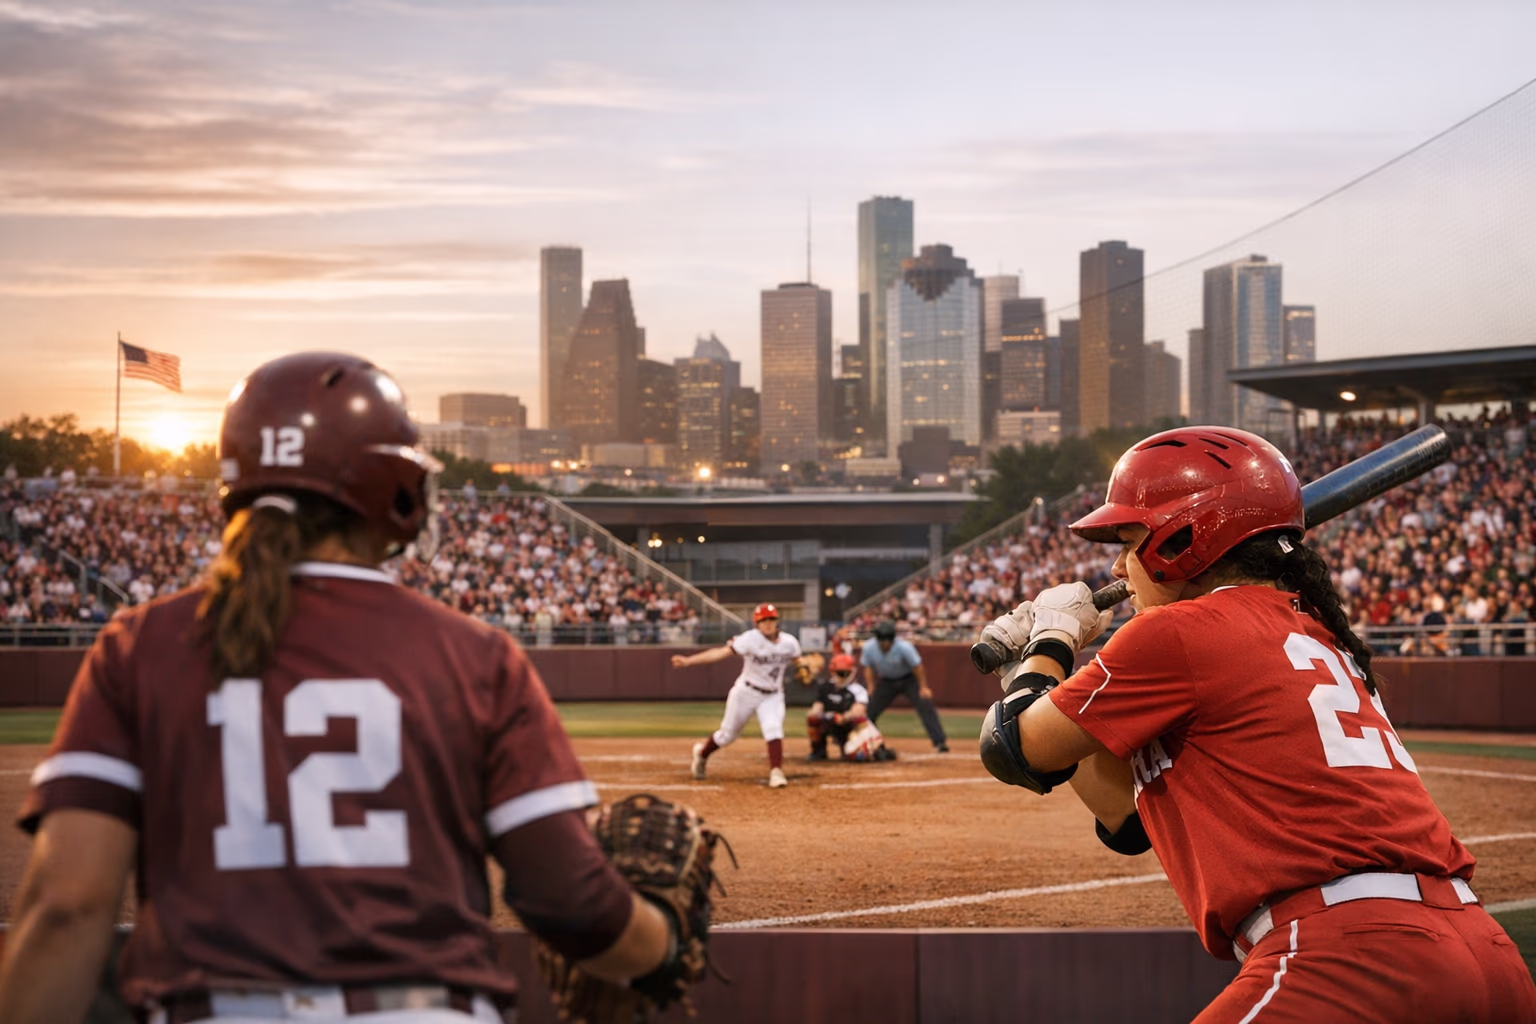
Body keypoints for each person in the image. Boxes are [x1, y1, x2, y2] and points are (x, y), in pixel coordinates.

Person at [0, 353, 678, 1024]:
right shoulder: (473, 655)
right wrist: (663, 943)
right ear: (394, 486)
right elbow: (570, 901)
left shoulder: (140, 646)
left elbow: (67, 907)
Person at [979, 426, 1536, 1023]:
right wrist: (1023, 671)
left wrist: (1054, 640)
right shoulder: (1310, 629)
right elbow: (1128, 819)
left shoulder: (1179, 632)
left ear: (1181, 539)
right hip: (1483, 952)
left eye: (1128, 540)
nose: (1118, 565)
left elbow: (1013, 747)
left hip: (1352, 959)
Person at [674, 602, 802, 788]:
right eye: (763, 620)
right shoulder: (749, 639)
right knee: (727, 735)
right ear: (757, 624)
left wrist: (806, 667)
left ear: (777, 621)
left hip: (773, 694)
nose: (768, 623)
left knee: (773, 728)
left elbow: (798, 661)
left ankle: (776, 771)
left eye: (771, 619)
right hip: (746, 691)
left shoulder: (789, 643)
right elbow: (721, 653)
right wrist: (688, 661)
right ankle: (702, 754)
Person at [861, 621, 948, 753]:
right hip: (886, 681)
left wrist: (923, 687)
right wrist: (871, 687)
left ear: (893, 639)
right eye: (882, 641)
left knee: (925, 705)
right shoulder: (869, 647)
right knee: (870, 710)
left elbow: (917, 667)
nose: (885, 645)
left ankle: (939, 742)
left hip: (908, 680)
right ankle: (870, 741)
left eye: (888, 641)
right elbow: (868, 668)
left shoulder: (904, 647)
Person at [805, 653, 893, 762]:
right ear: (832, 672)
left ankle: (876, 749)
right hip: (832, 724)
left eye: (846, 673)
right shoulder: (825, 688)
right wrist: (824, 715)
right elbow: (816, 708)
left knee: (856, 754)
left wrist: (842, 717)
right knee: (812, 717)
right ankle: (818, 751)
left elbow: (858, 712)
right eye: (840, 673)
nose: (843, 676)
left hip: (851, 726)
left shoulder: (857, 690)